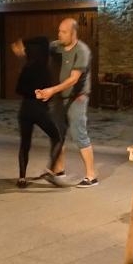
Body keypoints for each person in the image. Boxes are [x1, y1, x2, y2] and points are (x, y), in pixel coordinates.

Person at [36, 18, 98, 188]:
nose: (60, 34)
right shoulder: (57, 46)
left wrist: (51, 90)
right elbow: (40, 51)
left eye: (64, 32)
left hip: (77, 98)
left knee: (79, 135)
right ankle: (59, 170)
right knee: (57, 134)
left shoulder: (82, 51)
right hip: (60, 98)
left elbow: (73, 79)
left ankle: (91, 176)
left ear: (73, 33)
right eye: (59, 31)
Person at [11, 37, 64, 188]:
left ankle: (22, 178)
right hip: (39, 110)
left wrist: (23, 44)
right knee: (57, 137)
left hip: (25, 109)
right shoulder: (44, 69)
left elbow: (18, 90)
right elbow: (49, 93)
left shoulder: (26, 68)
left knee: (25, 143)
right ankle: (50, 170)